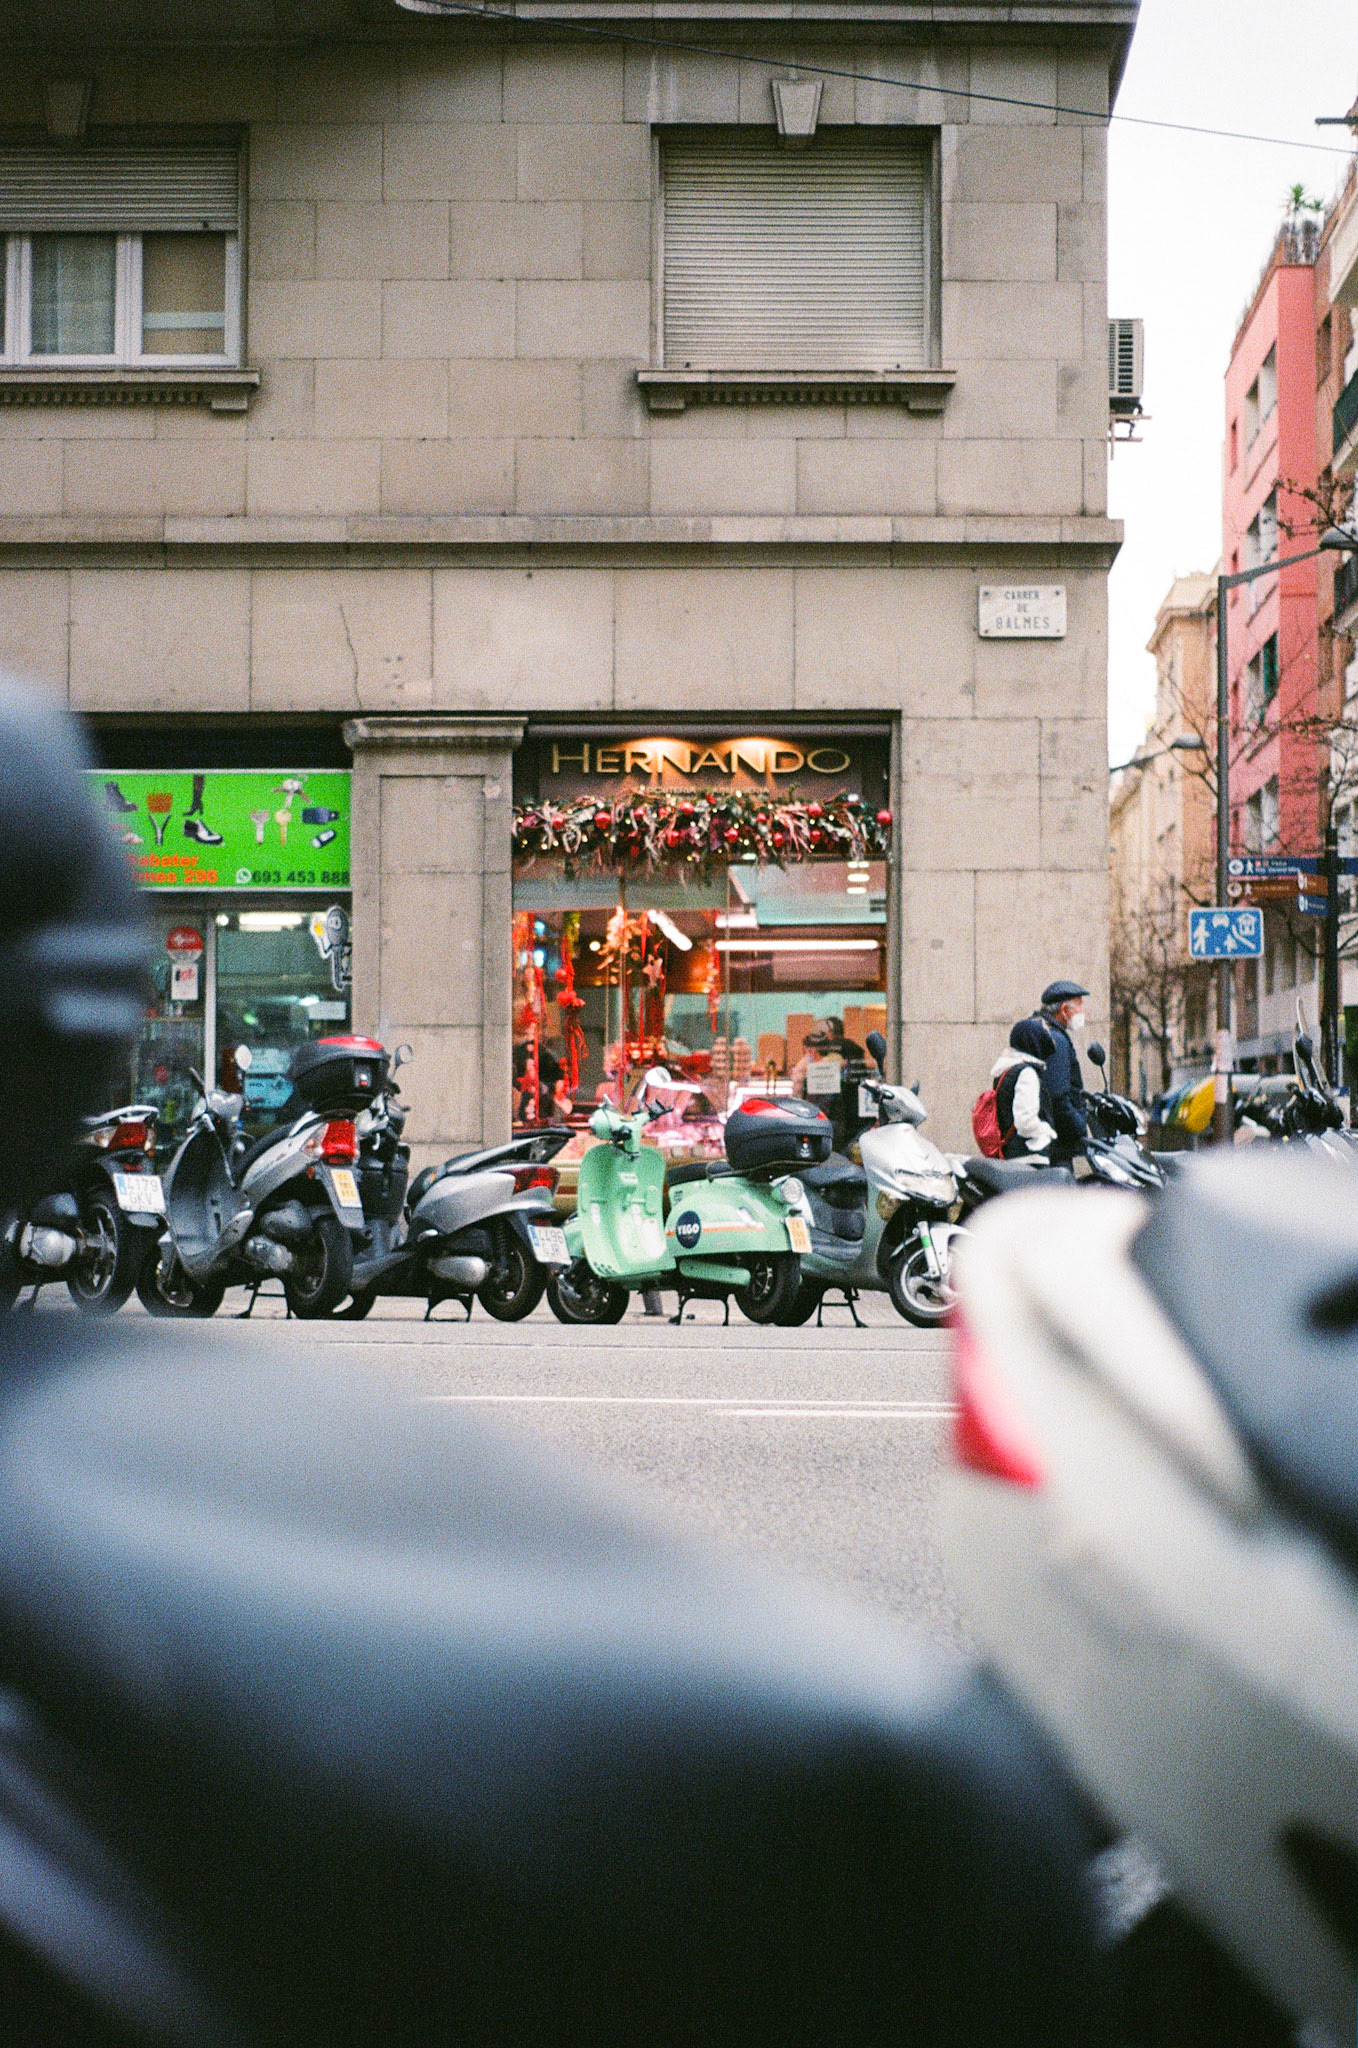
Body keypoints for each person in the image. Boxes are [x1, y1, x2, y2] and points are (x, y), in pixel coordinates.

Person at [1024, 979, 1090, 1166]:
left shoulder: (1037, 1032)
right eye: (1079, 1005)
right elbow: (1058, 1098)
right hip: (1056, 1146)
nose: (1082, 1011)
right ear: (1064, 1010)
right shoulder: (1056, 1041)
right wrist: (1079, 1126)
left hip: (1039, 1142)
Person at [987, 1018, 1059, 1159]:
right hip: (1028, 1156)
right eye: (1045, 1032)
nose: (1050, 1037)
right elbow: (1025, 1122)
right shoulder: (1027, 1073)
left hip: (1012, 1154)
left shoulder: (1007, 1070)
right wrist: (1047, 1131)